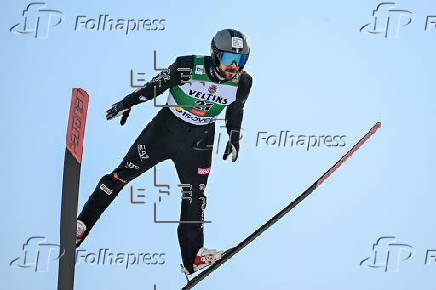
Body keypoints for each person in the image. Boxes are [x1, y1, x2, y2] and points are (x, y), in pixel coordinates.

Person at [75, 28, 253, 275]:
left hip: (199, 143)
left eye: (241, 60)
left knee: (195, 196)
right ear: (214, 55)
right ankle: (82, 224)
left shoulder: (243, 82)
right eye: (228, 59)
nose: (234, 66)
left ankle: (193, 257)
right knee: (120, 176)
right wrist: (126, 103)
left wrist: (234, 135)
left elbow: (236, 109)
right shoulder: (188, 66)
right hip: (164, 132)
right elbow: (154, 87)